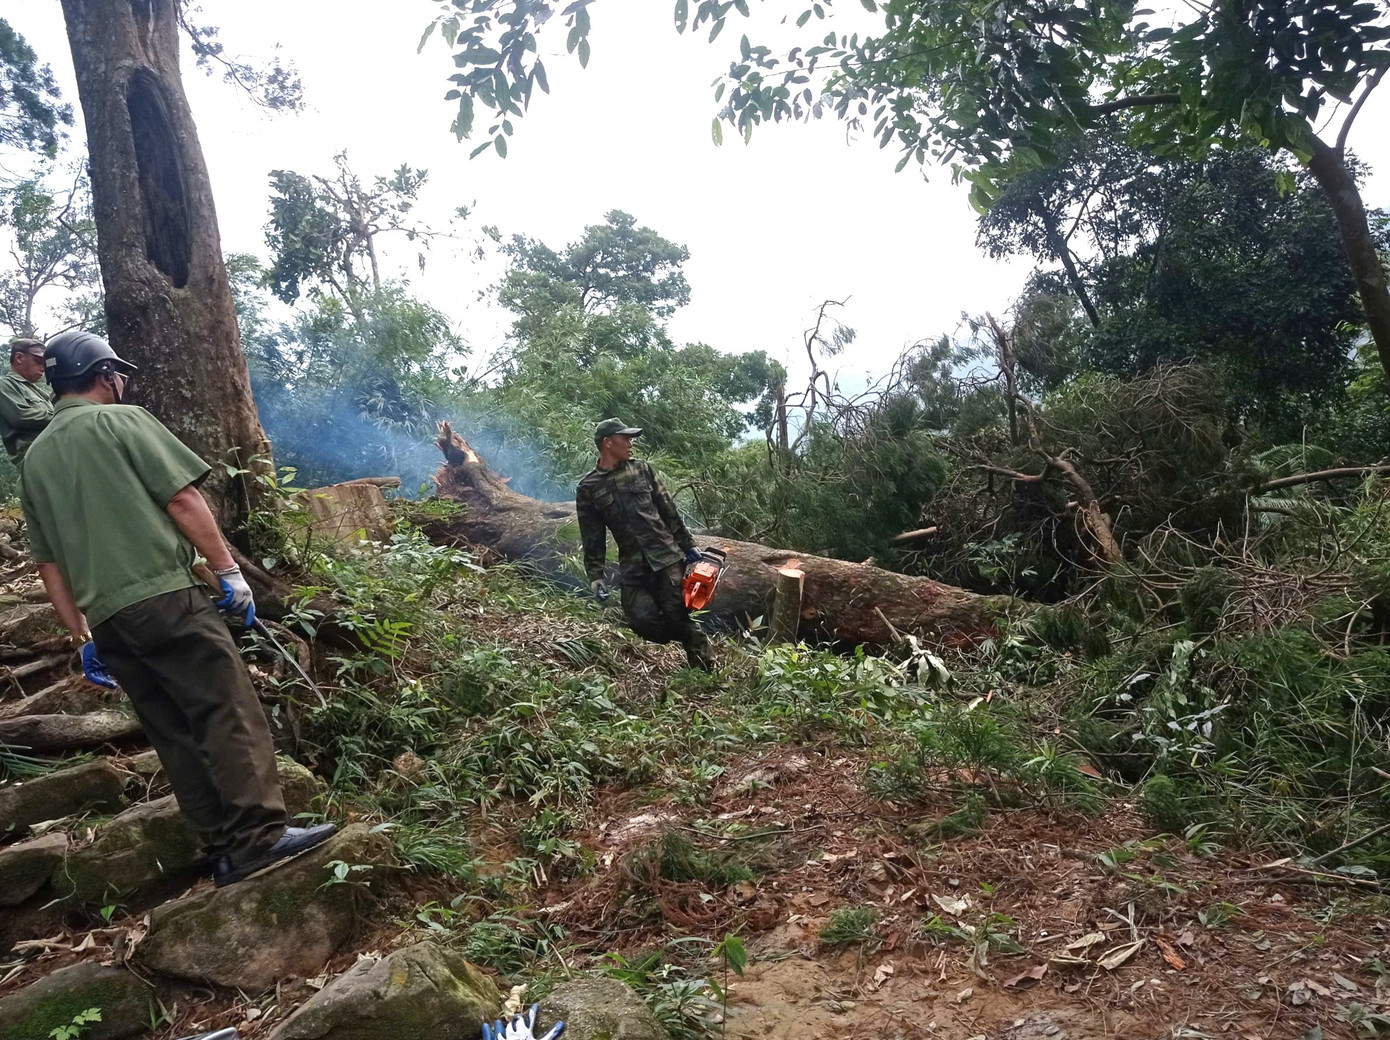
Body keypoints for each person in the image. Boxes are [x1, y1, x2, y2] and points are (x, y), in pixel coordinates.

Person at [20, 330, 335, 887]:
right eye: (117, 373)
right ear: (103, 375)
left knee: (172, 731)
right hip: (166, 598)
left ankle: (223, 851)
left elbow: (49, 563)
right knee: (226, 709)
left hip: (110, 622)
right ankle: (259, 836)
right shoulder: (122, 421)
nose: (121, 382)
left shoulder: (36, 458)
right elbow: (182, 498)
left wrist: (81, 635)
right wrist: (229, 571)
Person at [575, 417, 715, 671]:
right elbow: (592, 535)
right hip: (632, 565)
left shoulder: (642, 469)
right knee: (640, 621)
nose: (630, 444)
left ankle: (703, 670)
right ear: (608, 442)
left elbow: (668, 509)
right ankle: (687, 633)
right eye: (625, 438)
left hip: (666, 557)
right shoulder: (589, 487)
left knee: (676, 614)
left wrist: (688, 545)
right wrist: (595, 576)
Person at [0, 337, 55, 464]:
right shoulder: (5, 386)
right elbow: (23, 418)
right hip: (33, 459)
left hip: (49, 454)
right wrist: (61, 414)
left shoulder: (34, 390)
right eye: (38, 362)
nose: (43, 368)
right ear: (19, 358)